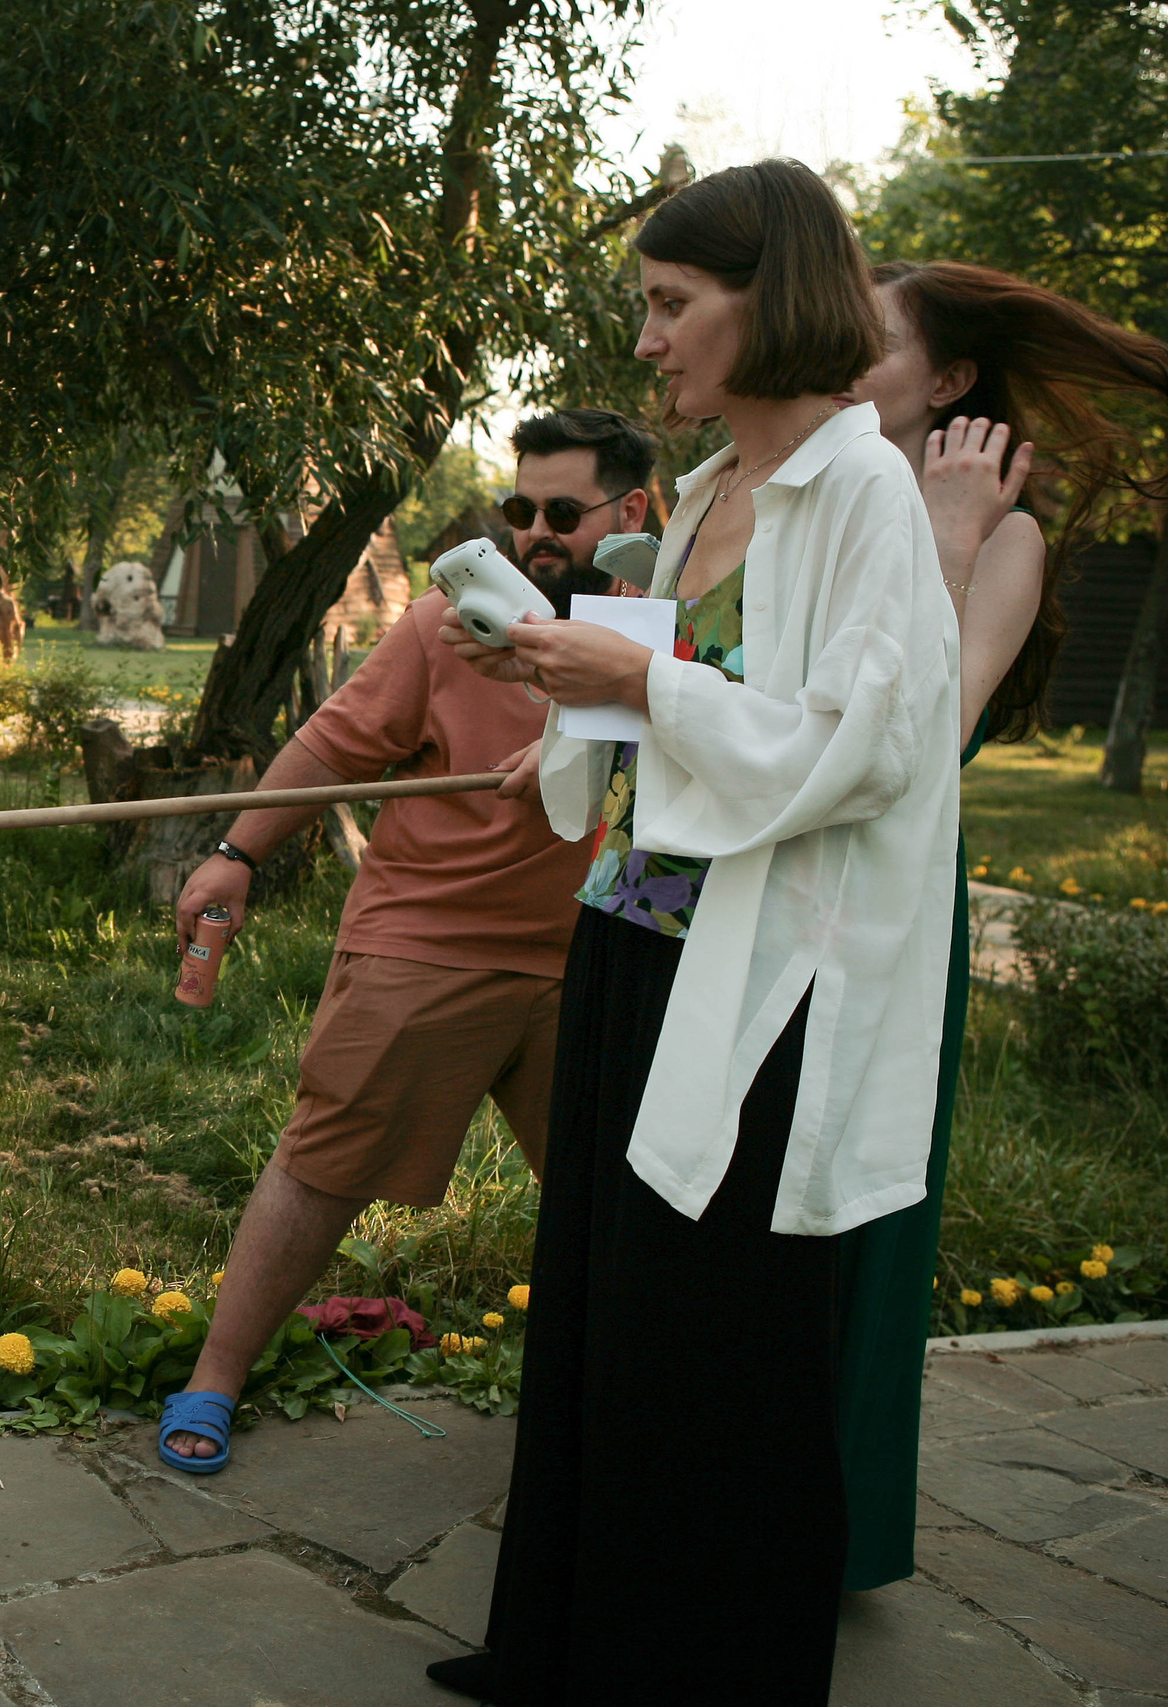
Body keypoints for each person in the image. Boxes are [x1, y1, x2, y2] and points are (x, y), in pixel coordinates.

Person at [429, 160, 962, 1703]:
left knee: (723, 1355)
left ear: (768, 295)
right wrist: (576, 680)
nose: (649, 342)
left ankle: (709, 1671)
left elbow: (862, 744)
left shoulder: (866, 491)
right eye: (647, 308)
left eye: (673, 305)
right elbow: (680, 698)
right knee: (604, 1307)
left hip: (766, 979)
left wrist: (640, 681)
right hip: (633, 935)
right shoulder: (718, 488)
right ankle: (567, 1640)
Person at [158, 409, 655, 1473]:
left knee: (610, 1193)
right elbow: (337, 739)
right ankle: (214, 1377)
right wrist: (235, 858)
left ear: (631, 514)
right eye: (522, 510)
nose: (534, 534)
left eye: (562, 513)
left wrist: (589, 747)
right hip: (424, 943)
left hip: (594, 952)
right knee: (323, 1165)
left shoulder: (658, 630)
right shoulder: (447, 621)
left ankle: (612, 1402)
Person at [830, 260, 1168, 1592]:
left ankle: (833, 1523)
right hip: (756, 901)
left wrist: (946, 531)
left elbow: (923, 730)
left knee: (855, 1217)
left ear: (950, 382)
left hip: (884, 909)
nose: (834, 358)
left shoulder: (1009, 539)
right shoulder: (816, 499)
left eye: (869, 345)